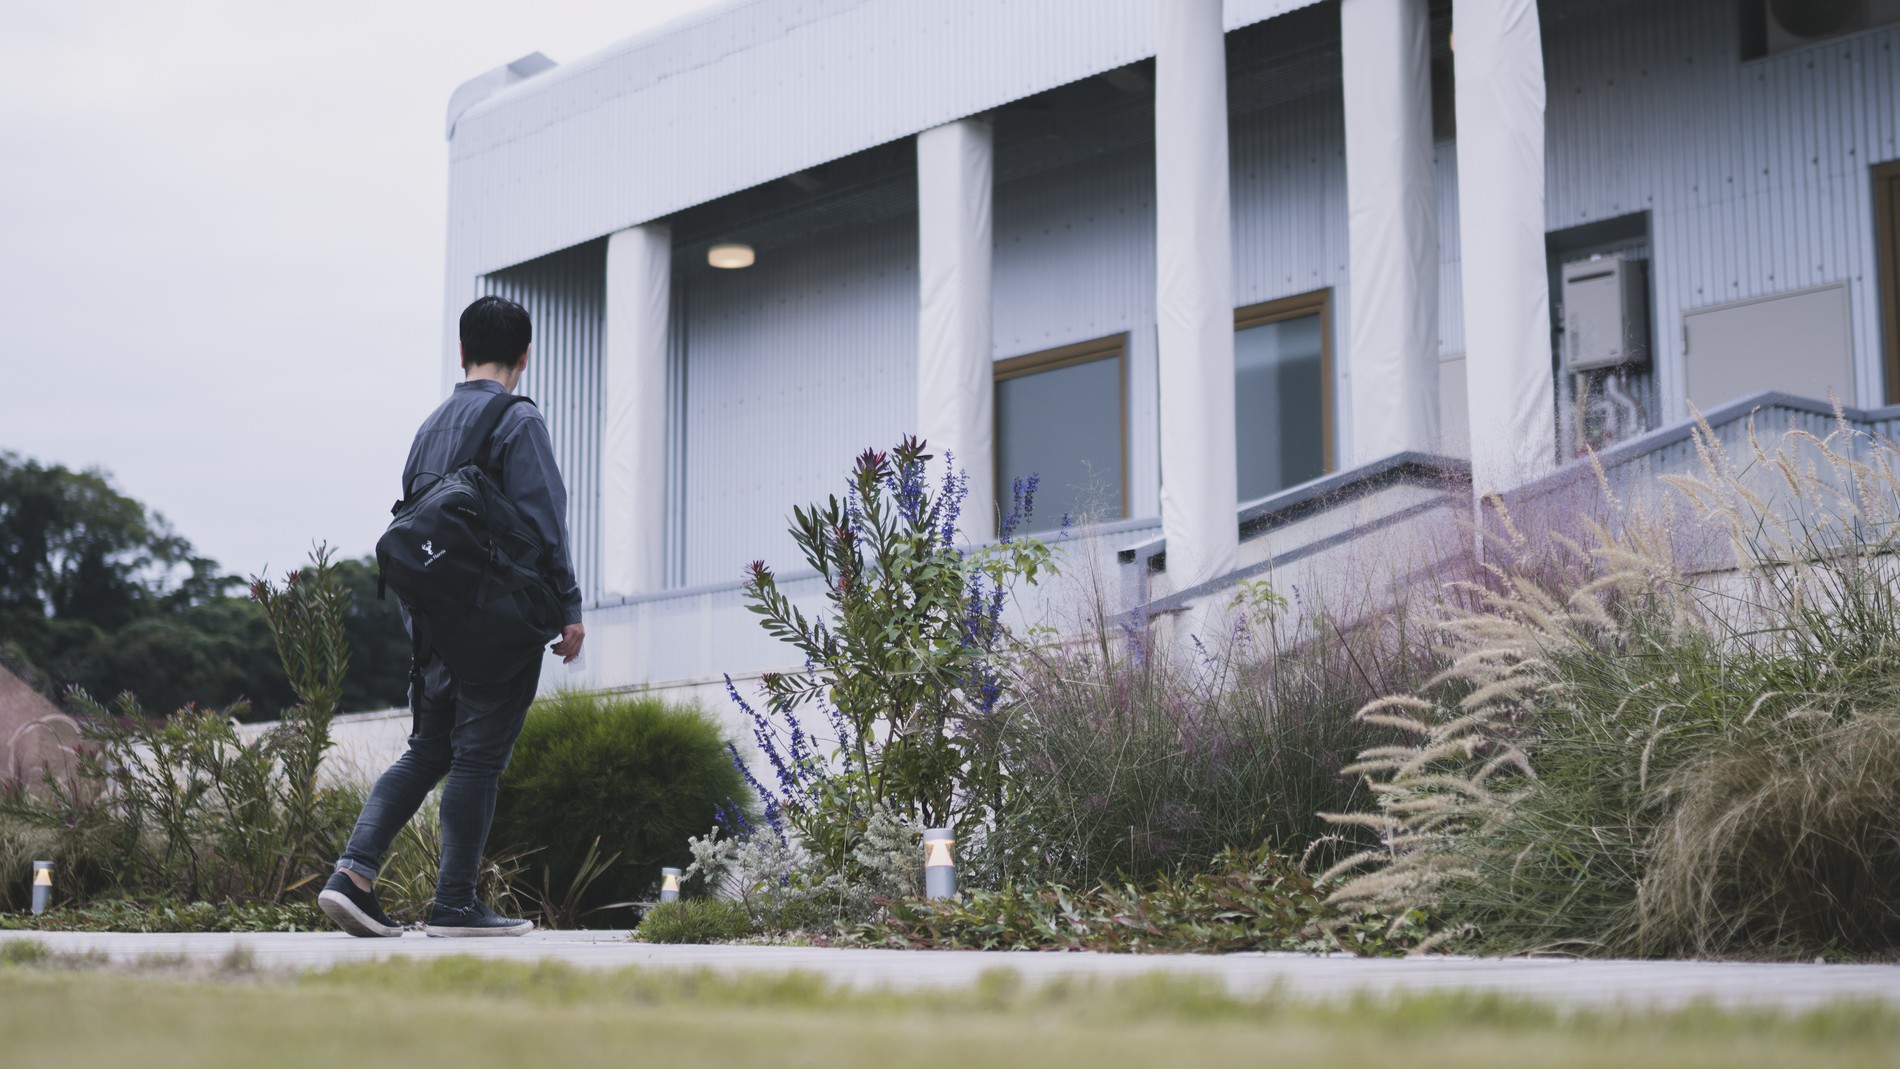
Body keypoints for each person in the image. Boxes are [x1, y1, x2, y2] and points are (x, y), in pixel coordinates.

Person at [318, 295, 585, 938]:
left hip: (430, 625)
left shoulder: (429, 427)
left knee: (428, 750)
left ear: (460, 353)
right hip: (495, 625)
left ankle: (352, 875)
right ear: (525, 356)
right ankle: (455, 905)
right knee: (478, 761)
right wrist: (569, 608)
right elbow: (546, 519)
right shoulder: (518, 421)